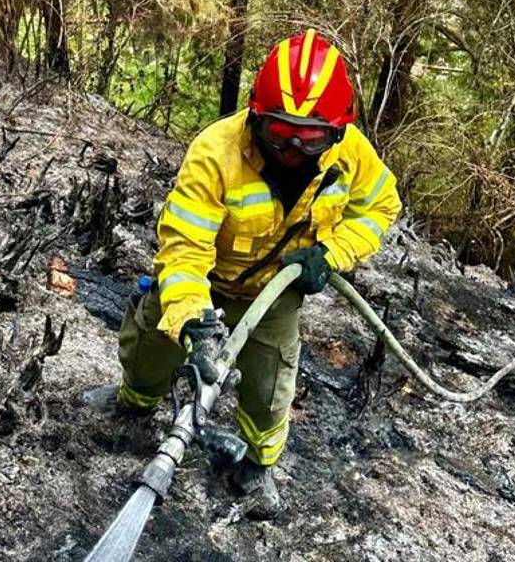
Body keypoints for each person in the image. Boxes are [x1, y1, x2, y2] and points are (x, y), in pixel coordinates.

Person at [86, 30, 402, 519]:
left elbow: (381, 207)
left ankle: (259, 468)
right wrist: (193, 320)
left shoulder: (352, 155)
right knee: (152, 342)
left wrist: (332, 254)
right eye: (280, 132)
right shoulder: (216, 152)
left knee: (270, 381)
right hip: (206, 282)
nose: (295, 147)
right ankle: (134, 401)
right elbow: (186, 250)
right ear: (256, 116)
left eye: (312, 136)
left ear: (337, 132)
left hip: (276, 290)